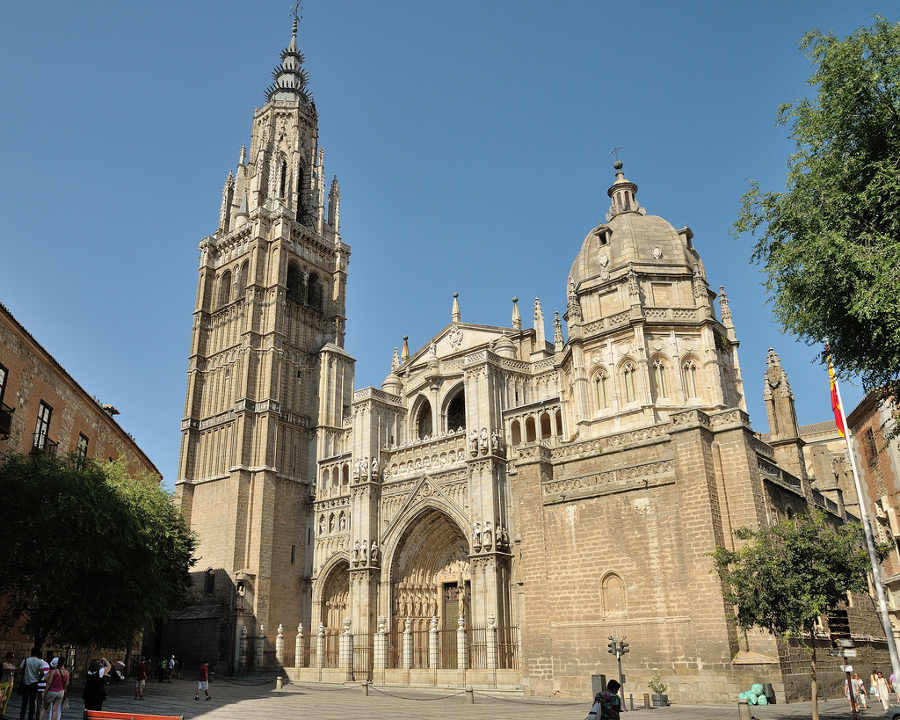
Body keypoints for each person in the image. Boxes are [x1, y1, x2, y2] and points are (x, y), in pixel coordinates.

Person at [18, 649, 43, 720]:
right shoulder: (39, 662)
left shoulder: (26, 660)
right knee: (32, 703)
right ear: (37, 654)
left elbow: (20, 670)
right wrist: (37, 678)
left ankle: (22, 717)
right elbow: (41, 673)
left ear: (31, 653)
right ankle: (30, 717)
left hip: (25, 683)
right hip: (34, 684)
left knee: (24, 702)